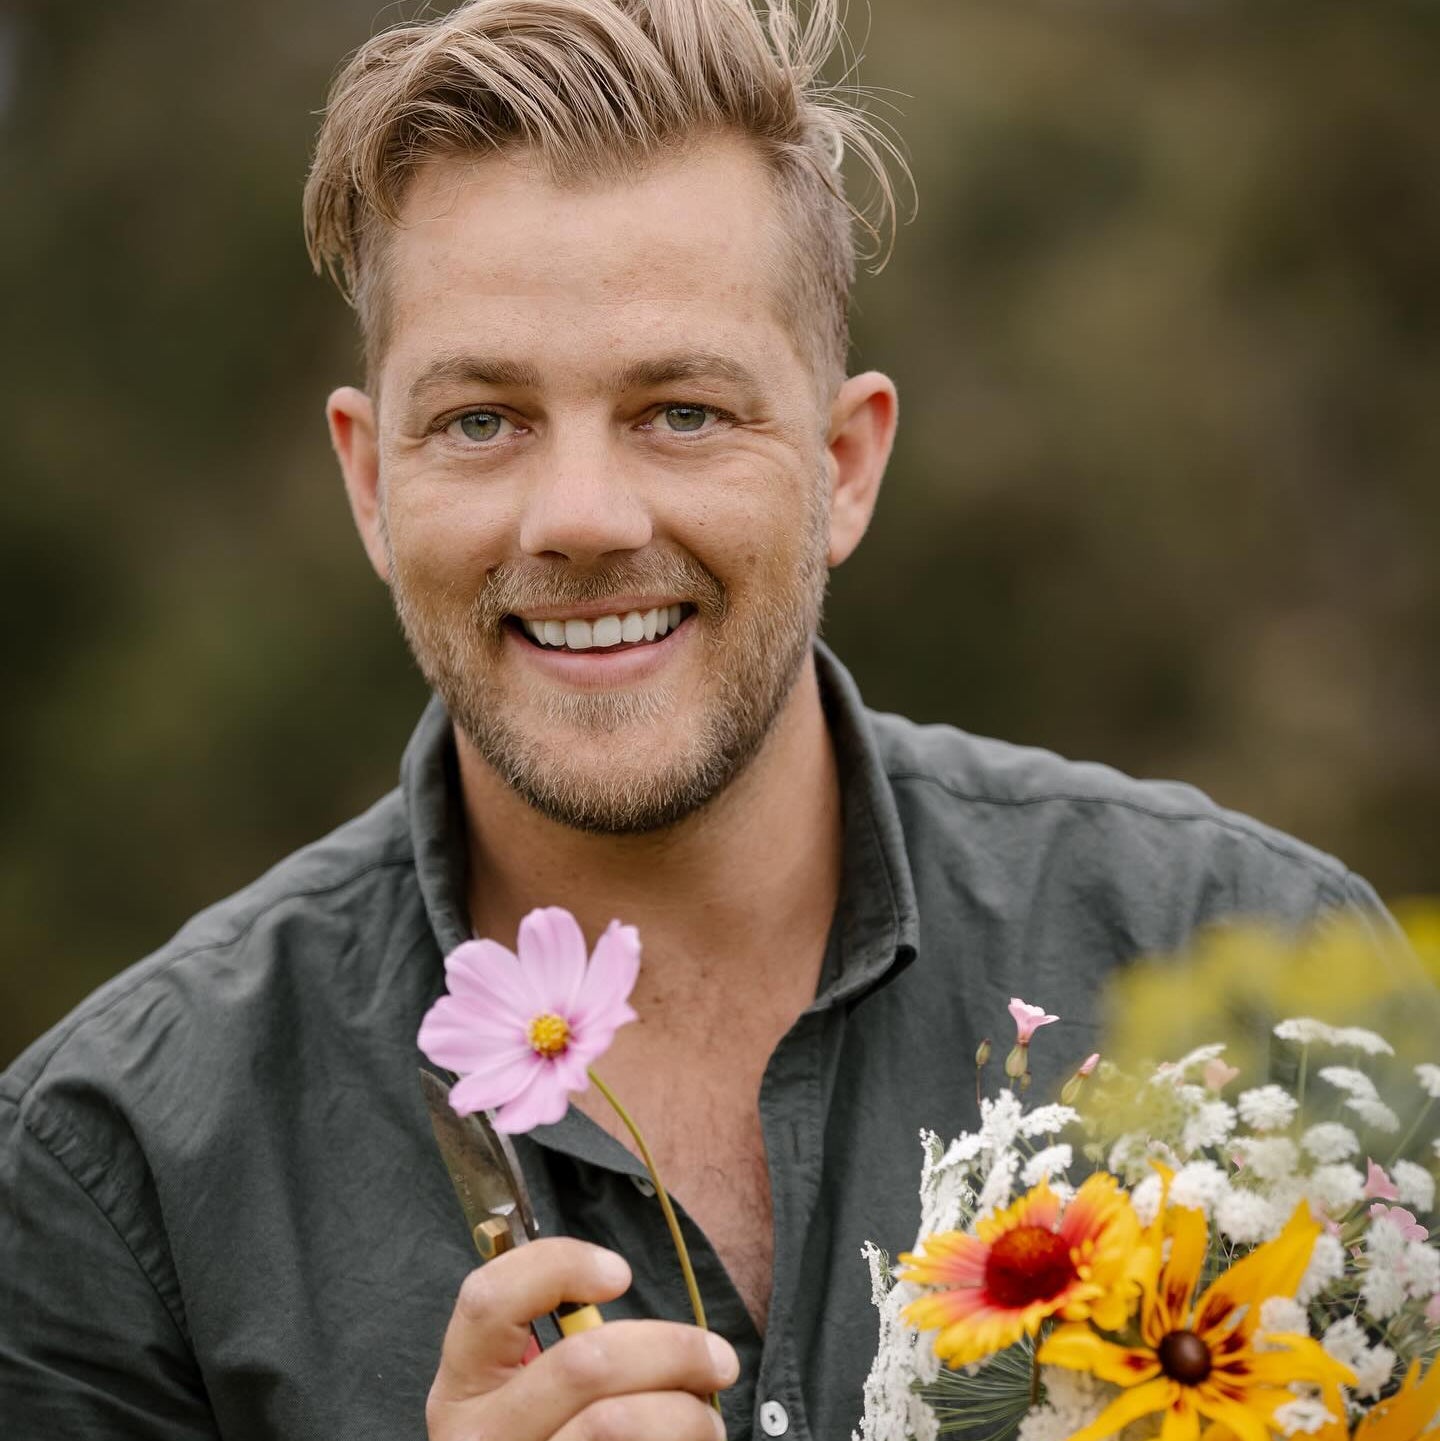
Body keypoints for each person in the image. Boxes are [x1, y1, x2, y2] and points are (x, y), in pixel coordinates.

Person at [0, 2, 1396, 1438]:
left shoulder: (1265, 974)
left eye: (680, 410)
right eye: (482, 419)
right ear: (371, 483)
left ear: (844, 467)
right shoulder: (118, 1168)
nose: (583, 518)